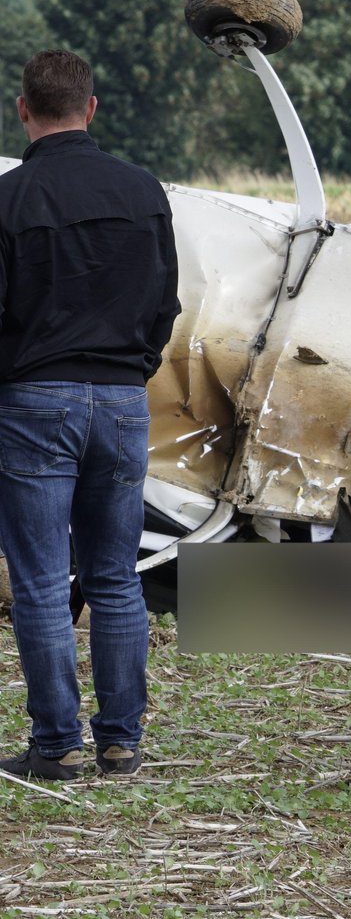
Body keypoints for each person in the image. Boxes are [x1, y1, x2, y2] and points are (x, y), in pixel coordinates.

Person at [0, 50, 180, 782]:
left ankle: (57, 745)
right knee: (115, 577)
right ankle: (120, 741)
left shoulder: (8, 201)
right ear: (92, 107)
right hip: (121, 401)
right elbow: (165, 304)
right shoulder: (143, 192)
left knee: (42, 581)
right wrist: (130, 371)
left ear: (23, 109)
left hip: (33, 401)